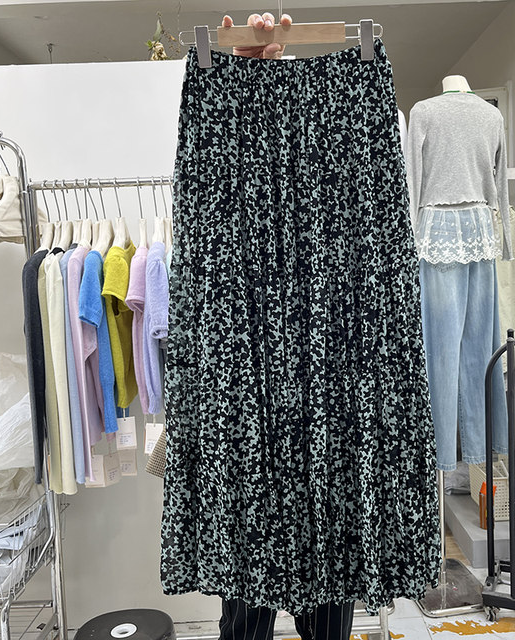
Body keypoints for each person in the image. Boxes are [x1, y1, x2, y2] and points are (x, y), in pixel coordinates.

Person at [211, 13, 357, 640]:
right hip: (253, 413)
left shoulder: (348, 139)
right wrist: (239, 88)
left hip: (328, 407)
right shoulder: (226, 153)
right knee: (247, 612)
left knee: (327, 608)